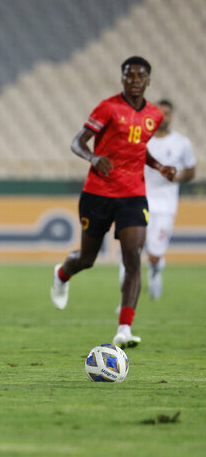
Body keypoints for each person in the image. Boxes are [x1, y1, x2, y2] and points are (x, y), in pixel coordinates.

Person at [49, 56, 176, 349]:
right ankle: (62, 274)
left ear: (148, 80)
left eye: (139, 76)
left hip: (132, 195)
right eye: (128, 76)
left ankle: (124, 329)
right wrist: (94, 158)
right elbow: (77, 142)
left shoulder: (153, 115)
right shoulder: (108, 108)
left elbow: (139, 148)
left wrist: (158, 167)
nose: (134, 81)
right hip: (98, 193)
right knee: (87, 259)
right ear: (121, 79)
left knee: (133, 258)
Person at [136, 100, 196, 299]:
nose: (164, 116)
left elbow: (191, 170)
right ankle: (127, 296)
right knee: (132, 249)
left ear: (171, 117)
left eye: (167, 113)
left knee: (153, 254)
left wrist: (176, 177)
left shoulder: (181, 142)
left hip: (166, 206)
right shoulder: (142, 139)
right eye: (160, 113)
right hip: (140, 201)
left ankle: (155, 271)